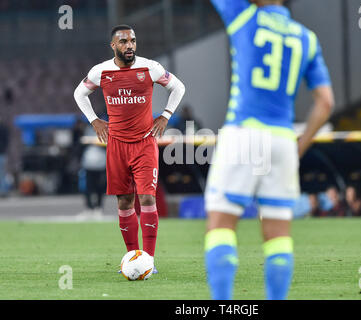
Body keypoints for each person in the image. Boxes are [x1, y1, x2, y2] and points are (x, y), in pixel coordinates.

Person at [205, 0, 334, 300]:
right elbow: (326, 102)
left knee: (221, 226)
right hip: (283, 140)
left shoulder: (243, 17)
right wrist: (299, 147)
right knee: (278, 235)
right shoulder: (307, 37)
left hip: (245, 133)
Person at [73, 25, 186, 273]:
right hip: (116, 145)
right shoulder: (101, 71)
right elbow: (79, 93)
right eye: (123, 42)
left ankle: (150, 261)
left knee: (146, 197)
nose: (130, 46)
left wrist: (165, 116)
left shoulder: (150, 67)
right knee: (124, 202)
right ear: (113, 45)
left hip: (145, 143)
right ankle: (131, 258)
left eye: (133, 40)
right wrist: (94, 120)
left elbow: (178, 87)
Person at [77, 125, 107, 220]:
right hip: (88, 165)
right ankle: (89, 209)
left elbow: (107, 142)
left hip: (101, 165)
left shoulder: (105, 130)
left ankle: (98, 209)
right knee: (88, 188)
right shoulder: (87, 130)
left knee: (100, 188)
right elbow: (81, 142)